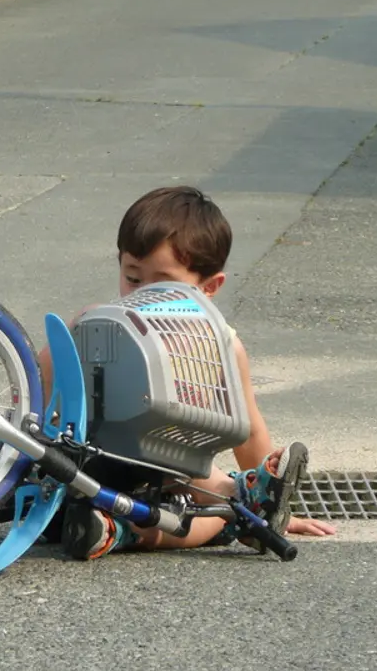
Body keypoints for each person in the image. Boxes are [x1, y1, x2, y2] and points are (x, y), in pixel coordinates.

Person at [37, 185, 337, 560]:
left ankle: (120, 531)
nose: (142, 294)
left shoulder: (222, 347)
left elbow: (248, 429)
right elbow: (43, 374)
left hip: (161, 484)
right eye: (133, 278)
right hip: (81, 471)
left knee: (210, 499)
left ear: (209, 287)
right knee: (211, 491)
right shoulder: (95, 325)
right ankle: (244, 510)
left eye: (163, 285)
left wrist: (267, 490)